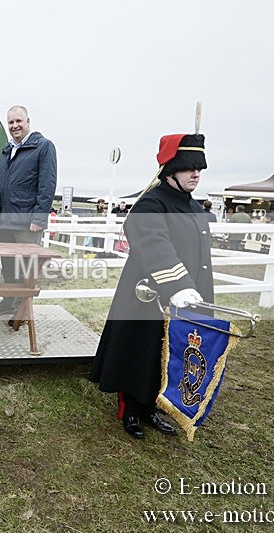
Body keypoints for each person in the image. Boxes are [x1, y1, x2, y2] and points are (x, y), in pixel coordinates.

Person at [89, 133, 212, 439]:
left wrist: (196, 293)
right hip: (147, 295)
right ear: (171, 169)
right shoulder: (152, 202)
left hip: (184, 299)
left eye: (199, 167)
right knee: (140, 351)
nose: (195, 173)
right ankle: (130, 410)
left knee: (165, 353)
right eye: (188, 167)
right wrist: (179, 284)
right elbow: (154, 242)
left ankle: (150, 407)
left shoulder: (194, 206)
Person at [0, 105, 57, 326]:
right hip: (6, 219)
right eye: (11, 123)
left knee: (25, 267)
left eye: (19, 121)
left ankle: (21, 310)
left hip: (27, 221)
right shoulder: (7, 149)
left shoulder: (44, 147)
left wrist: (39, 217)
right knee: (8, 264)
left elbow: (47, 184)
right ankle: (8, 301)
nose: (15, 126)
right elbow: (1, 183)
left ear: (28, 121)